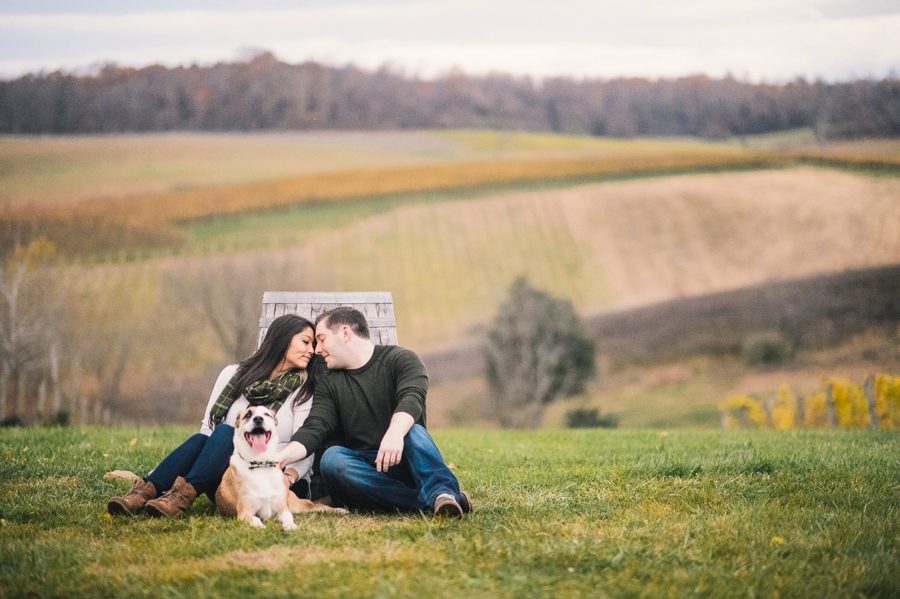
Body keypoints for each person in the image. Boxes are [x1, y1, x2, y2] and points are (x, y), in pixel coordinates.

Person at [107, 314, 320, 518]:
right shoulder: (233, 374)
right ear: (283, 339)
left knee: (227, 432)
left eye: (313, 345)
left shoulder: (304, 389)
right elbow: (208, 429)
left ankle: (179, 497)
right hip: (229, 480)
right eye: (305, 342)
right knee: (208, 437)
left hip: (276, 482)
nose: (311, 350)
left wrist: (288, 477)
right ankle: (145, 493)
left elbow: (306, 448)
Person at [275, 306, 471, 517]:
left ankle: (441, 493)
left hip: (407, 459)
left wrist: (395, 433)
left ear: (345, 333)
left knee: (413, 431)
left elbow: (411, 398)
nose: (317, 349)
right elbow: (315, 427)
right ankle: (438, 500)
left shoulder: (402, 359)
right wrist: (279, 459)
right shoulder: (330, 383)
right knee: (332, 459)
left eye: (321, 339)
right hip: (367, 470)